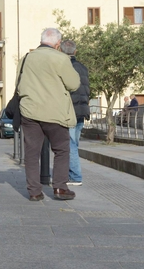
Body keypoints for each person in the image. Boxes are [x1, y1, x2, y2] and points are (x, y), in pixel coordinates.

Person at [17, 28, 80, 201]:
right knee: (61, 149)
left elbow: (19, 84)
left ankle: (34, 192)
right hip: (55, 112)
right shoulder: (61, 58)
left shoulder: (26, 58)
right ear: (58, 44)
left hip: (30, 112)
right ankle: (60, 188)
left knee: (31, 153)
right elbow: (74, 84)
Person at [60, 39, 90, 187]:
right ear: (75, 51)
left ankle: (76, 176)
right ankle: (71, 173)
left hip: (70, 110)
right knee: (74, 144)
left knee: (70, 144)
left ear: (60, 51)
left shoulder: (64, 67)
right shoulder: (83, 68)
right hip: (82, 110)